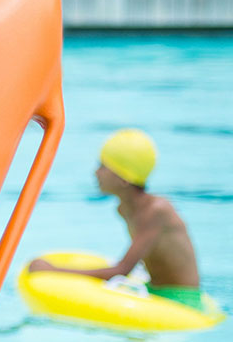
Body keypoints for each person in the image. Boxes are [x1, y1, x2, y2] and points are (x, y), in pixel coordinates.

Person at [29, 129, 203, 309]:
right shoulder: (124, 209)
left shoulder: (156, 211)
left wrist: (53, 270)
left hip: (182, 301)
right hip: (155, 290)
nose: (96, 173)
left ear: (124, 179)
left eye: (103, 166)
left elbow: (122, 270)